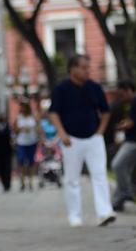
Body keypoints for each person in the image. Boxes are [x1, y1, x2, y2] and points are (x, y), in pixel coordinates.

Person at [49, 54, 115, 227]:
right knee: (72, 179)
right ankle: (75, 217)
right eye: (84, 68)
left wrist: (100, 132)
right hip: (71, 140)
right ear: (73, 69)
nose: (88, 71)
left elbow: (105, 112)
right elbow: (53, 112)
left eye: (88, 67)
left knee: (100, 175)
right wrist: (62, 133)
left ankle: (104, 212)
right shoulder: (61, 89)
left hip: (94, 137)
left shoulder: (94, 88)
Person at [111, 79, 136, 212]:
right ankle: (124, 195)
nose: (121, 98)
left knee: (118, 165)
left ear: (129, 90)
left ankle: (125, 194)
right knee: (124, 168)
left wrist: (120, 127)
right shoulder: (134, 103)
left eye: (122, 95)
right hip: (134, 141)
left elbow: (130, 123)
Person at [13, 102, 41, 191]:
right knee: (21, 161)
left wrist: (38, 134)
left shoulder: (33, 117)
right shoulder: (18, 118)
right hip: (21, 142)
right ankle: (22, 181)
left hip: (32, 141)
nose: (23, 109)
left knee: (31, 161)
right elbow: (14, 130)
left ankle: (31, 181)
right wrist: (21, 129)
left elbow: (39, 128)